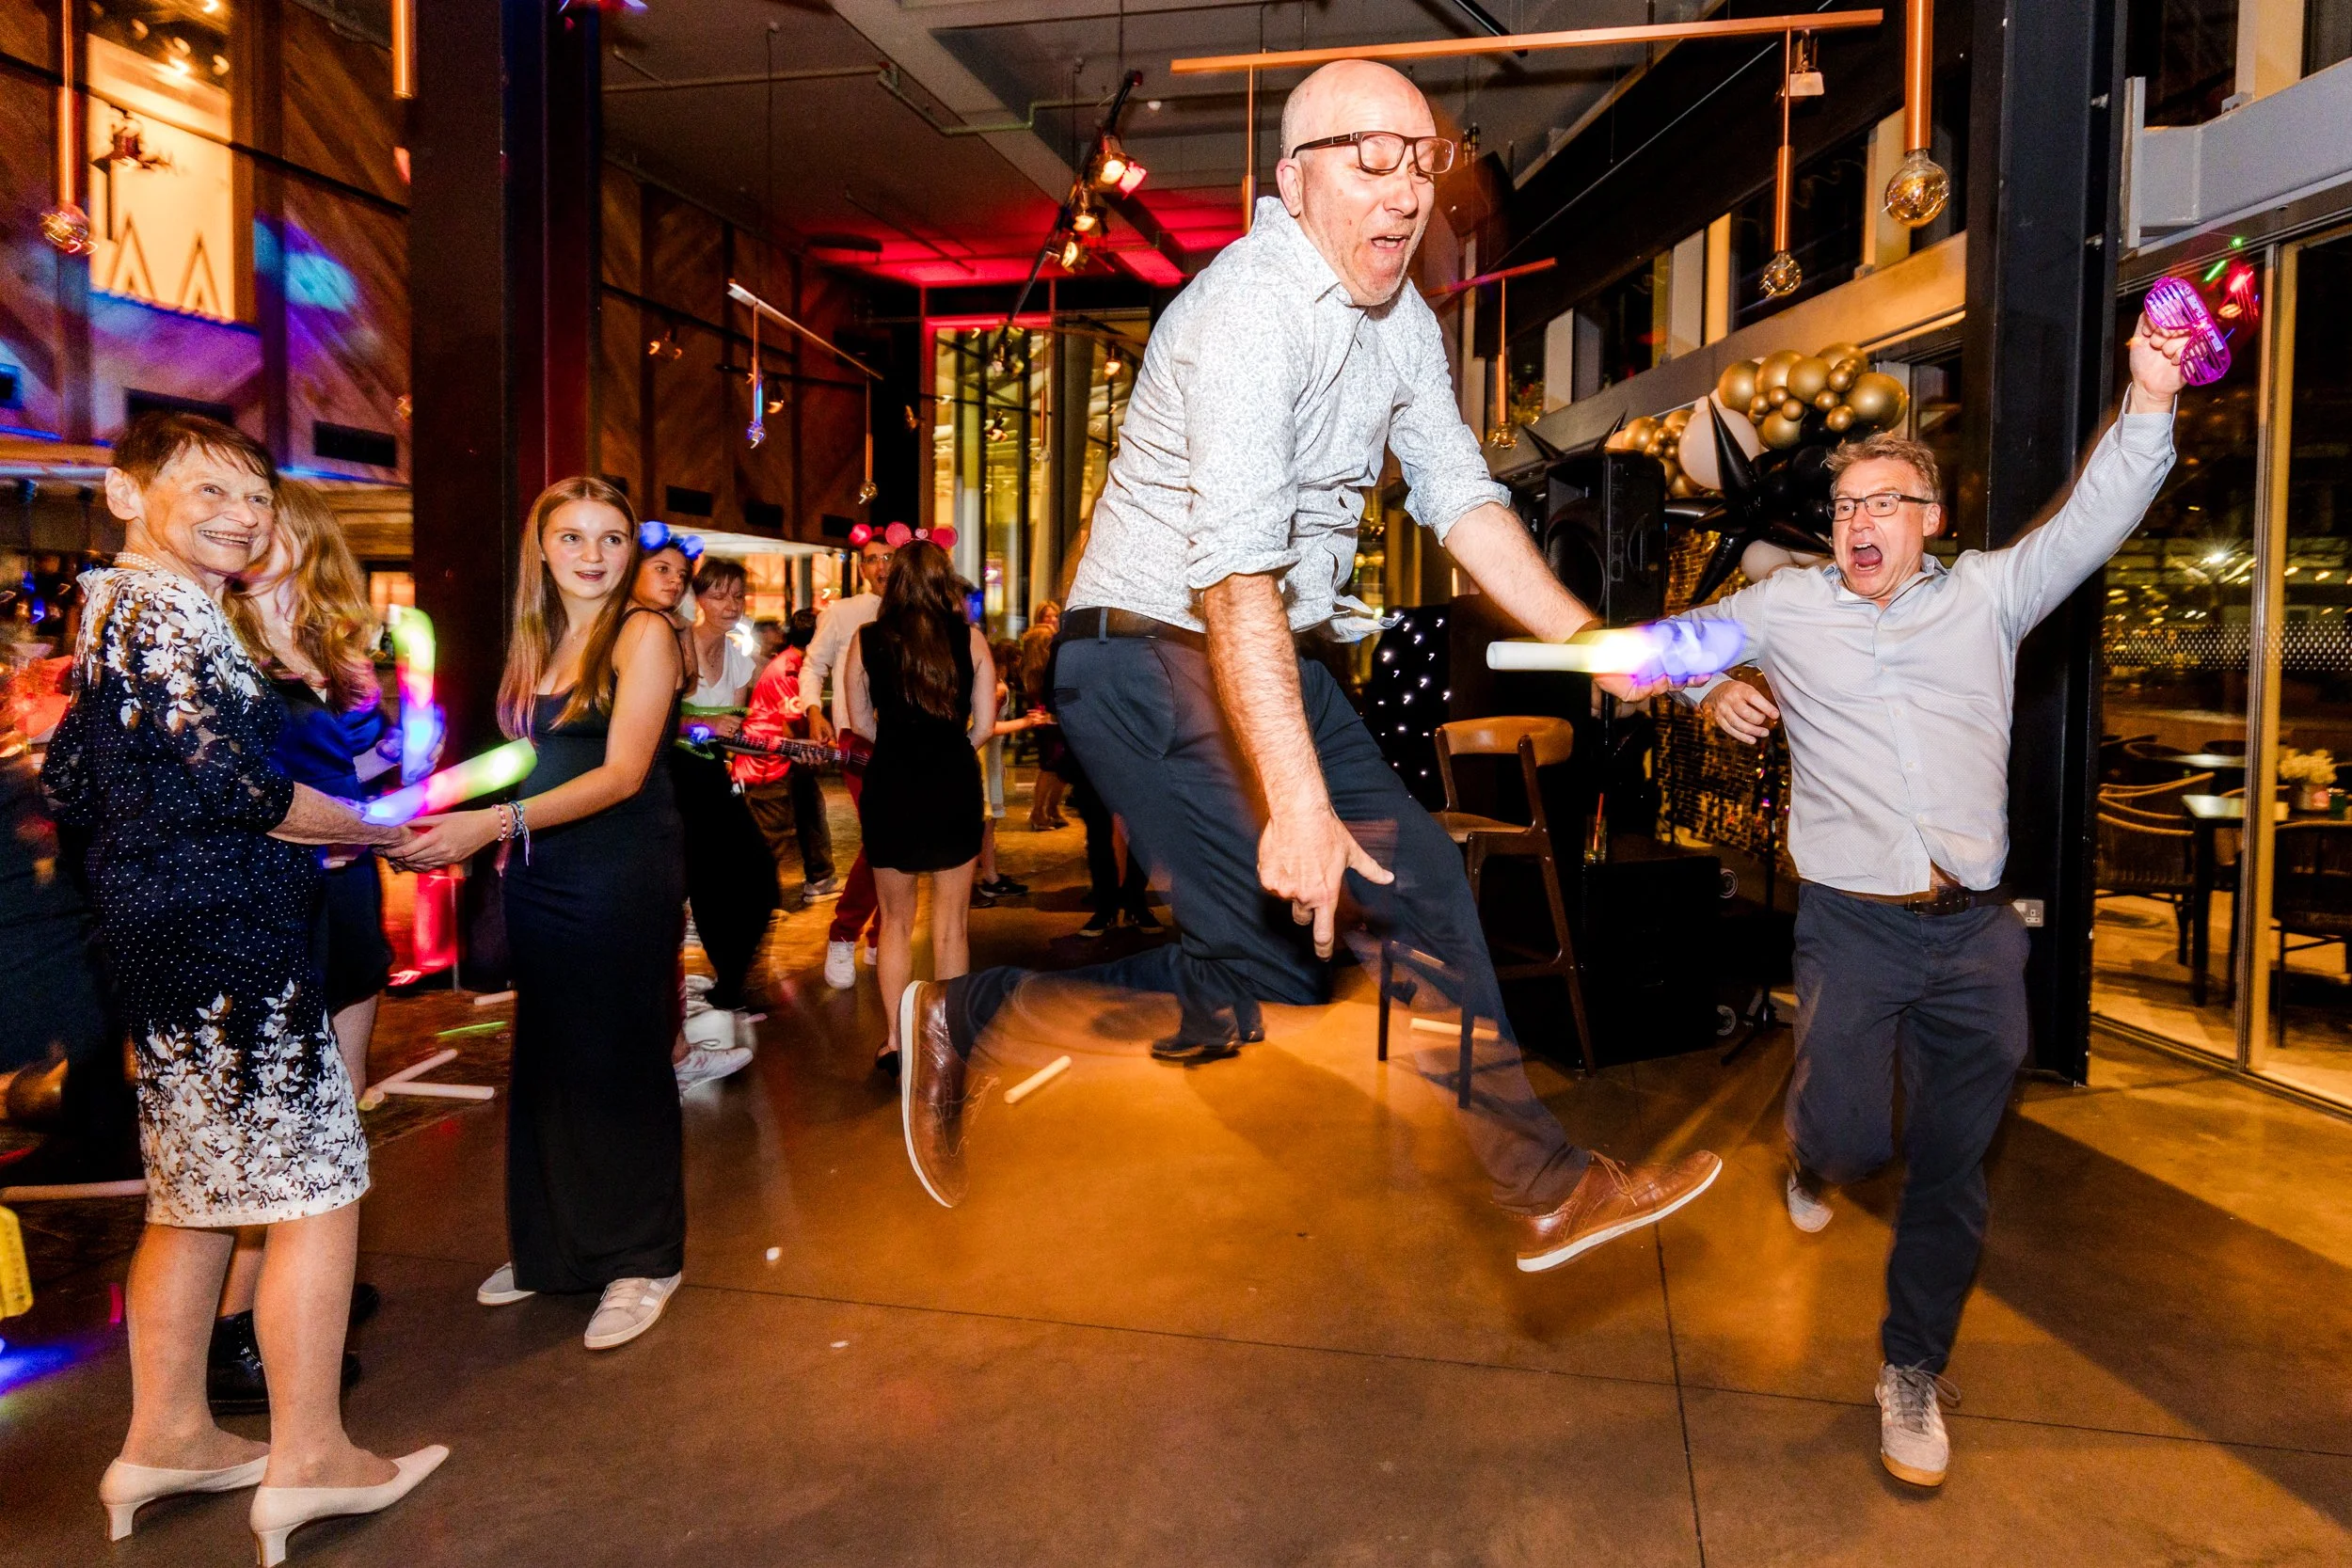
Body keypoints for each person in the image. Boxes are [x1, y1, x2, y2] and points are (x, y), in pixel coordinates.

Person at [896, 61, 1721, 1262]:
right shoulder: (1247, 315)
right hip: (1146, 657)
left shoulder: (1400, 330)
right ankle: (974, 1013)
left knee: (1387, 903)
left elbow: (1460, 495)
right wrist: (1293, 799)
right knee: (1277, 957)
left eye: (1421, 160)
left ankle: (1542, 1185)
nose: (1403, 193)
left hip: (1258, 649)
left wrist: (1584, 641)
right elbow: (1230, 578)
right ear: (1292, 181)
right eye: (1366, 158)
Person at [1670, 315, 2190, 1489]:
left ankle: (1910, 1368)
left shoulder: (1991, 598)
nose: (1859, 521)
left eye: (1885, 503)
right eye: (1847, 505)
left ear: (1931, 522)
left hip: (1973, 936)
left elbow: (2094, 515)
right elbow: (1654, 648)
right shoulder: (1789, 608)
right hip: (1851, 927)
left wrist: (2150, 399)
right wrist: (1707, 689)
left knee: (1954, 1166)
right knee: (1854, 1135)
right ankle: (1810, 1156)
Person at [40, 412, 443, 1561]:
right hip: (229, 940)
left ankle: (166, 1434)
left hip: (162, 939)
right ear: (128, 494)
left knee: (190, 1190)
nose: (241, 514)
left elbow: (77, 772)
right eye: (207, 489)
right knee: (314, 1186)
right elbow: (241, 788)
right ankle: (311, 1458)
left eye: (256, 496)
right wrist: (375, 828)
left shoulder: (116, 607)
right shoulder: (165, 611)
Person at [393, 477, 692, 1353]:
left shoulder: (644, 632)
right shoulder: (542, 640)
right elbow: (527, 756)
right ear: (543, 547)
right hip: (543, 873)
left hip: (619, 873)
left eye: (610, 538)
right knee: (553, 1059)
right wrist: (413, 803)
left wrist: (492, 822)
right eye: (573, 538)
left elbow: (623, 772)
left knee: (620, 1062)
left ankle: (644, 1256)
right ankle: (556, 1249)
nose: (593, 556)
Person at [211, 480, 418, 1415]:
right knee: (277, 1126)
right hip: (264, 905)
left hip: (346, 897)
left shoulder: (345, 649)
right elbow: (216, 799)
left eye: (273, 521)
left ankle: (309, 1284)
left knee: (339, 1109)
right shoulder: (219, 650)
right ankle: (237, 1328)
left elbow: (381, 766)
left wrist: (394, 767)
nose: (255, 535)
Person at [842, 540, 994, 1074]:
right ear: (943, 582)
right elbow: (986, 724)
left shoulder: (867, 641)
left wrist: (902, 746)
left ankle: (896, 1040)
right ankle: (951, 1039)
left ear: (895, 582)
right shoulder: (970, 639)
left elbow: (860, 723)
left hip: (893, 785)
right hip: (952, 784)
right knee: (952, 926)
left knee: (896, 923)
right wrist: (951, 749)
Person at [630, 526, 752, 1090]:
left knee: (682, 907)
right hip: (658, 785)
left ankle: (676, 1045)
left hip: (679, 783)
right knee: (661, 911)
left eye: (680, 574)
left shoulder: (661, 630)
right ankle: (666, 1055)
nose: (674, 582)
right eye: (665, 571)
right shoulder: (648, 631)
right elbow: (646, 719)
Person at [672, 555, 778, 1033]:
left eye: (738, 594)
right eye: (719, 593)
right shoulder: (678, 646)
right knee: (707, 884)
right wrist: (704, 724)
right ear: (698, 598)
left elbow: (727, 736)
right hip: (674, 780)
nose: (731, 603)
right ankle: (728, 985)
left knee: (759, 875)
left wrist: (779, 745)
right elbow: (652, 721)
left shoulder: (738, 658)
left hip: (714, 776)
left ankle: (731, 978)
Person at [803, 535, 894, 989]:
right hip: (855, 736)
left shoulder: (914, 613)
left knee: (897, 838)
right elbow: (812, 665)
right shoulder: (842, 613)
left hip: (903, 738)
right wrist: (813, 710)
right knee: (881, 836)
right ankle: (844, 933)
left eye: (888, 558)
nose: (880, 566)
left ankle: (880, 935)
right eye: (872, 559)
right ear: (861, 568)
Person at [739, 607, 840, 905]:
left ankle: (820, 878)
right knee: (773, 834)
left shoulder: (794, 663)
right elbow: (788, 722)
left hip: (781, 759)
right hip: (768, 762)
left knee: (808, 813)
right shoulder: (790, 668)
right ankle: (756, 900)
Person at [1020, 603, 1069, 830]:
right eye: (1047, 615)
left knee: (1058, 762)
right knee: (1052, 762)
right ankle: (1040, 812)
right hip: (1045, 707)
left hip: (1045, 704)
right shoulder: (1042, 636)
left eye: (1054, 615)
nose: (1052, 619)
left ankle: (1050, 809)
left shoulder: (1041, 640)